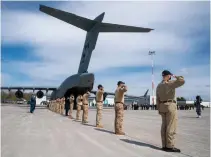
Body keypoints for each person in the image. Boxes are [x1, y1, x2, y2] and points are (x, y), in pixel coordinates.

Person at [156, 70, 185, 152]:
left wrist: (159, 108)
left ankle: (164, 145)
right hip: (170, 105)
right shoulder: (169, 83)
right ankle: (170, 145)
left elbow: (157, 98)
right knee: (171, 126)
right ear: (168, 76)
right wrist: (174, 75)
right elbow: (182, 80)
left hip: (162, 106)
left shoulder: (159, 85)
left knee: (164, 126)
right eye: (170, 76)